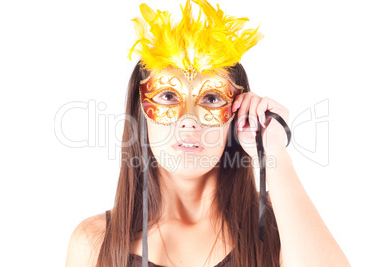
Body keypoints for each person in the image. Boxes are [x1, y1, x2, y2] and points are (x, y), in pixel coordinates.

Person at [65, 0, 350, 266]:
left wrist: (274, 151)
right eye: (167, 95)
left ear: (236, 111)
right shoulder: (95, 242)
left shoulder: (281, 233)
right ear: (140, 111)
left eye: (211, 98)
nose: (189, 121)